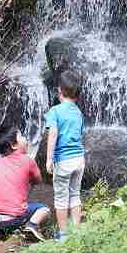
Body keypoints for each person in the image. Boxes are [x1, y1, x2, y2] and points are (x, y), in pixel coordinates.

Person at [0, 127, 49, 242]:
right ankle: (32, 226)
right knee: (44, 209)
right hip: (12, 219)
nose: (25, 138)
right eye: (21, 136)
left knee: (5, 203)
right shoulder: (28, 161)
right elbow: (38, 180)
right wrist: (31, 180)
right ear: (14, 145)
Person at [45, 70, 86, 242]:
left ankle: (63, 234)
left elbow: (53, 134)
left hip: (63, 161)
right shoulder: (78, 113)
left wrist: (49, 159)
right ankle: (76, 230)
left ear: (59, 90)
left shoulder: (55, 111)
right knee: (75, 194)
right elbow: (80, 135)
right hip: (79, 159)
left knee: (61, 198)